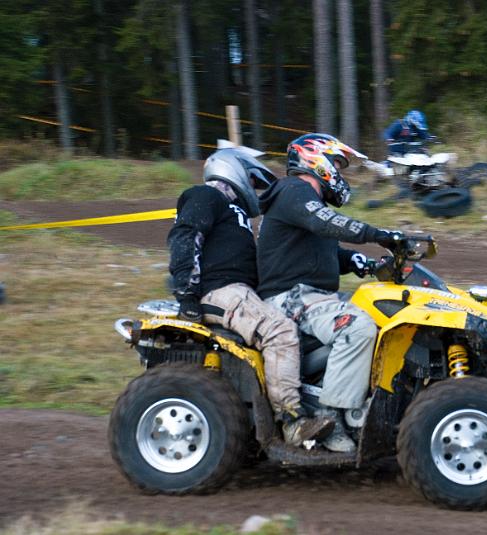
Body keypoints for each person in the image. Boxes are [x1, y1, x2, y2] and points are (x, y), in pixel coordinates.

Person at [167, 146, 335, 447]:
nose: (257, 189)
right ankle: (292, 421)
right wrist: (187, 293)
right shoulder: (206, 195)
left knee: (296, 328)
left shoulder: (236, 214)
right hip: (221, 291)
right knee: (279, 330)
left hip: (242, 293)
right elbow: (186, 236)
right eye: (254, 181)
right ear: (235, 171)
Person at [256, 133, 404, 453]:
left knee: (381, 315)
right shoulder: (293, 191)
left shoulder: (306, 205)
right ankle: (331, 417)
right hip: (289, 299)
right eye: (337, 164)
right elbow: (327, 223)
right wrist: (378, 235)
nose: (340, 172)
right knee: (357, 326)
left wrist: (364, 263)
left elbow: (329, 252)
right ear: (314, 160)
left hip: (311, 297)